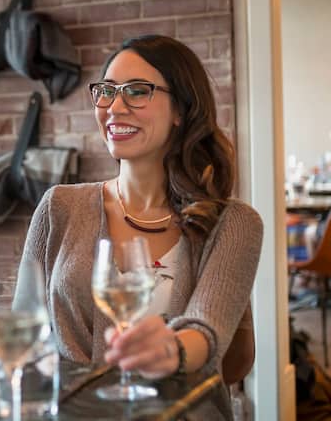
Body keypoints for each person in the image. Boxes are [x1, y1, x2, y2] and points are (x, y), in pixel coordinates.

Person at [19, 35, 262, 419]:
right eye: (107, 91)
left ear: (181, 109)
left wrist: (171, 350)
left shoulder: (233, 223)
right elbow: (22, 334)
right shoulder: (59, 206)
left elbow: (206, 330)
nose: (115, 107)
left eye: (137, 91)